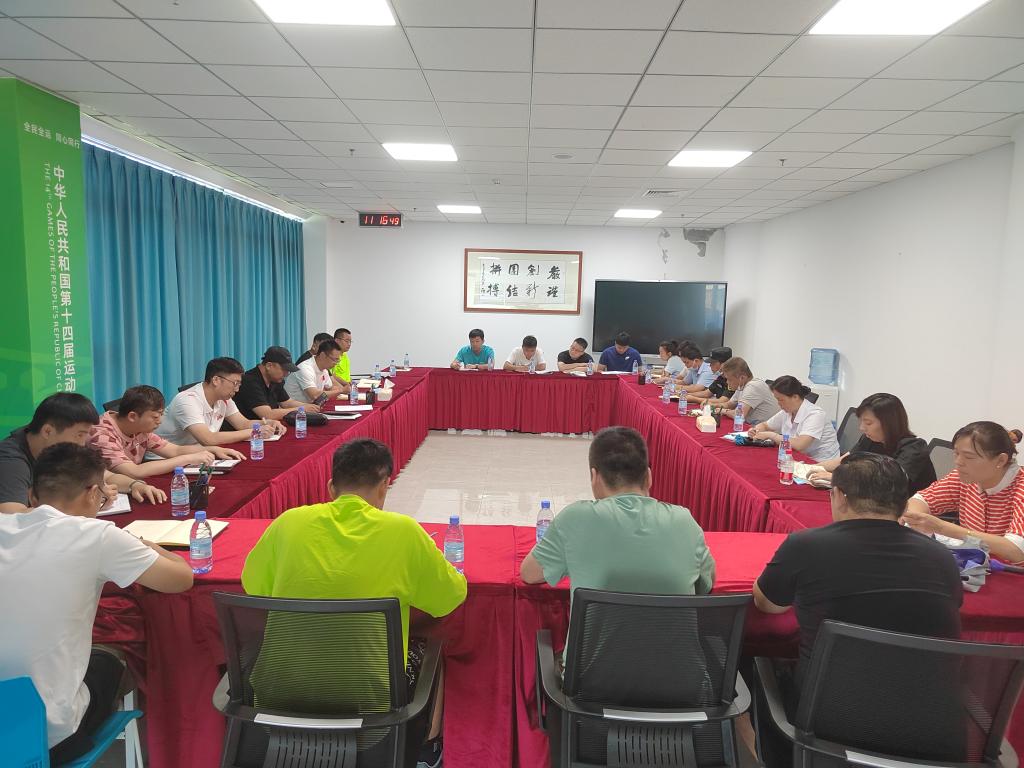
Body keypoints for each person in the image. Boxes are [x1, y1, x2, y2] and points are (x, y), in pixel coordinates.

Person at [242, 438, 466, 768]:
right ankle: (426, 752)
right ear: (385, 486)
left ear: (331, 487)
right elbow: (449, 598)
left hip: (277, 697)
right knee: (431, 648)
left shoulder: (289, 523)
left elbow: (254, 586)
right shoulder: (404, 532)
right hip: (373, 706)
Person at [752, 453, 962, 767]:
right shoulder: (941, 557)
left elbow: (767, 604)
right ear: (903, 502)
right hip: (930, 728)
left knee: (755, 662)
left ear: (838, 496)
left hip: (829, 720)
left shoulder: (806, 545)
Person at [0, 443, 193, 762]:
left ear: (31, 496)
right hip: (44, 736)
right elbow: (180, 579)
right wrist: (141, 544)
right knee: (114, 654)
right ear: (93, 494)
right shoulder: (98, 535)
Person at [520, 427, 715, 659]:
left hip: (591, 679)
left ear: (594, 477)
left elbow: (529, 574)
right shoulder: (685, 522)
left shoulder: (575, 519)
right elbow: (707, 583)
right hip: (680, 678)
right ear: (649, 476)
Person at [0, 393, 164, 513]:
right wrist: (80, 503)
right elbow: (13, 514)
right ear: (48, 431)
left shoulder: (59, 447)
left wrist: (135, 485)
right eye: (79, 435)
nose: (82, 443)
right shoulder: (11, 460)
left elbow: (105, 475)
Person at [902, 421, 1024, 564]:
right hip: (976, 568)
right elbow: (921, 499)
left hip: (1012, 572)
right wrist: (914, 518)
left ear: (1001, 460)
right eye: (956, 453)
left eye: (969, 457)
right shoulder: (965, 477)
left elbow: (1016, 550)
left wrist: (941, 527)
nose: (958, 462)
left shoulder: (1020, 487)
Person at [87, 385, 244, 478]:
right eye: (155, 417)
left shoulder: (140, 428)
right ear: (132, 416)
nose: (160, 421)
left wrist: (212, 449)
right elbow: (134, 472)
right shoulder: (102, 435)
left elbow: (174, 450)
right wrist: (189, 458)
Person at [807, 393, 935, 493]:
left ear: (889, 423)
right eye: (861, 422)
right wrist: (808, 468)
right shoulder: (870, 439)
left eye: (868, 423)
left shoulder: (914, 448)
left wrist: (838, 479)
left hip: (905, 509)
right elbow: (845, 461)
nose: (861, 428)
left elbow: (889, 484)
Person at [157, 357, 285, 447]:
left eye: (239, 384)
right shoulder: (187, 400)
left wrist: (267, 422)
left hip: (197, 455)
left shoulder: (224, 399)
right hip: (165, 460)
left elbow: (243, 424)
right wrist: (255, 432)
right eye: (235, 383)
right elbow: (208, 439)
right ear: (216, 380)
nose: (237, 389)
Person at [748, 376, 841, 462]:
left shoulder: (815, 414)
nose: (778, 404)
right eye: (777, 399)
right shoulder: (787, 411)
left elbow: (800, 445)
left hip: (821, 463)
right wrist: (756, 430)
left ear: (795, 397)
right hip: (796, 458)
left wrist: (771, 435)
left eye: (781, 400)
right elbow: (765, 425)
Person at [234, 346, 313, 421]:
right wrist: (301, 409)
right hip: (251, 428)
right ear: (269, 366)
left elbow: (286, 403)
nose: (286, 374)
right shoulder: (249, 381)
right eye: (284, 370)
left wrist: (310, 407)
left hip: (269, 426)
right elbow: (267, 415)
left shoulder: (275, 379)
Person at [718, 357, 780, 425]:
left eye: (729, 379)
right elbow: (729, 405)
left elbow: (739, 415)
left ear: (742, 378)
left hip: (767, 429)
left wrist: (724, 411)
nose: (727, 382)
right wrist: (711, 406)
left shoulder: (753, 386)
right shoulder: (742, 385)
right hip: (755, 427)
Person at [284, 339, 348, 404]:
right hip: (295, 408)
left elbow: (330, 388)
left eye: (338, 360)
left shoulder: (324, 370)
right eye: (335, 360)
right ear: (323, 355)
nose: (336, 363)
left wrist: (346, 388)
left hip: (310, 406)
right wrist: (341, 390)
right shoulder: (305, 368)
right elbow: (315, 395)